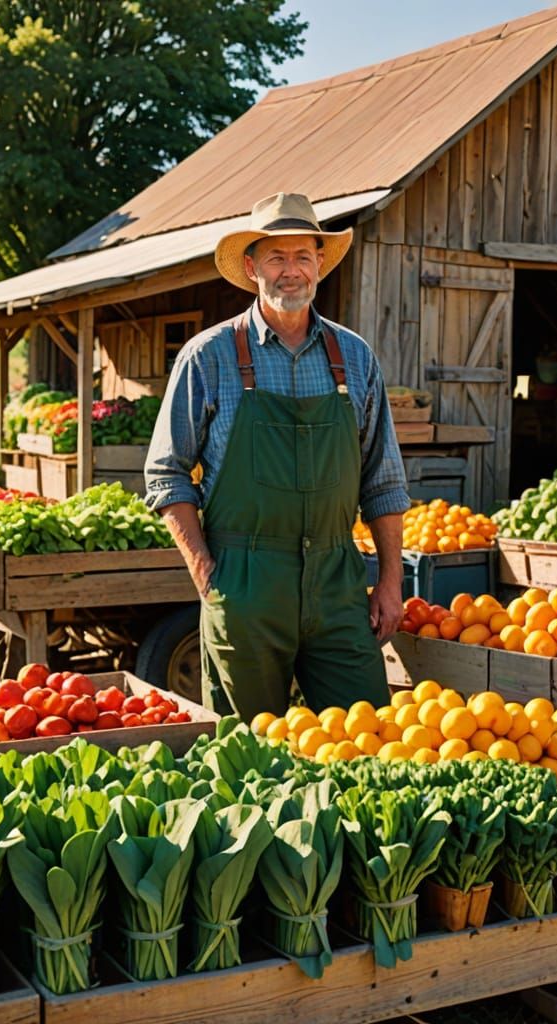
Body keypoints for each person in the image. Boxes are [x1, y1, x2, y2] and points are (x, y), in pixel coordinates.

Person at [145, 192, 410, 720]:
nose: (292, 271)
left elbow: (383, 480)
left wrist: (389, 581)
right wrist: (207, 574)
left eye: (303, 257)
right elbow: (166, 473)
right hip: (245, 582)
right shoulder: (209, 356)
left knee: (369, 739)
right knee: (248, 754)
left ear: (319, 265)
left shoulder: (354, 357)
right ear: (252, 268)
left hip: (338, 581)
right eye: (276, 258)